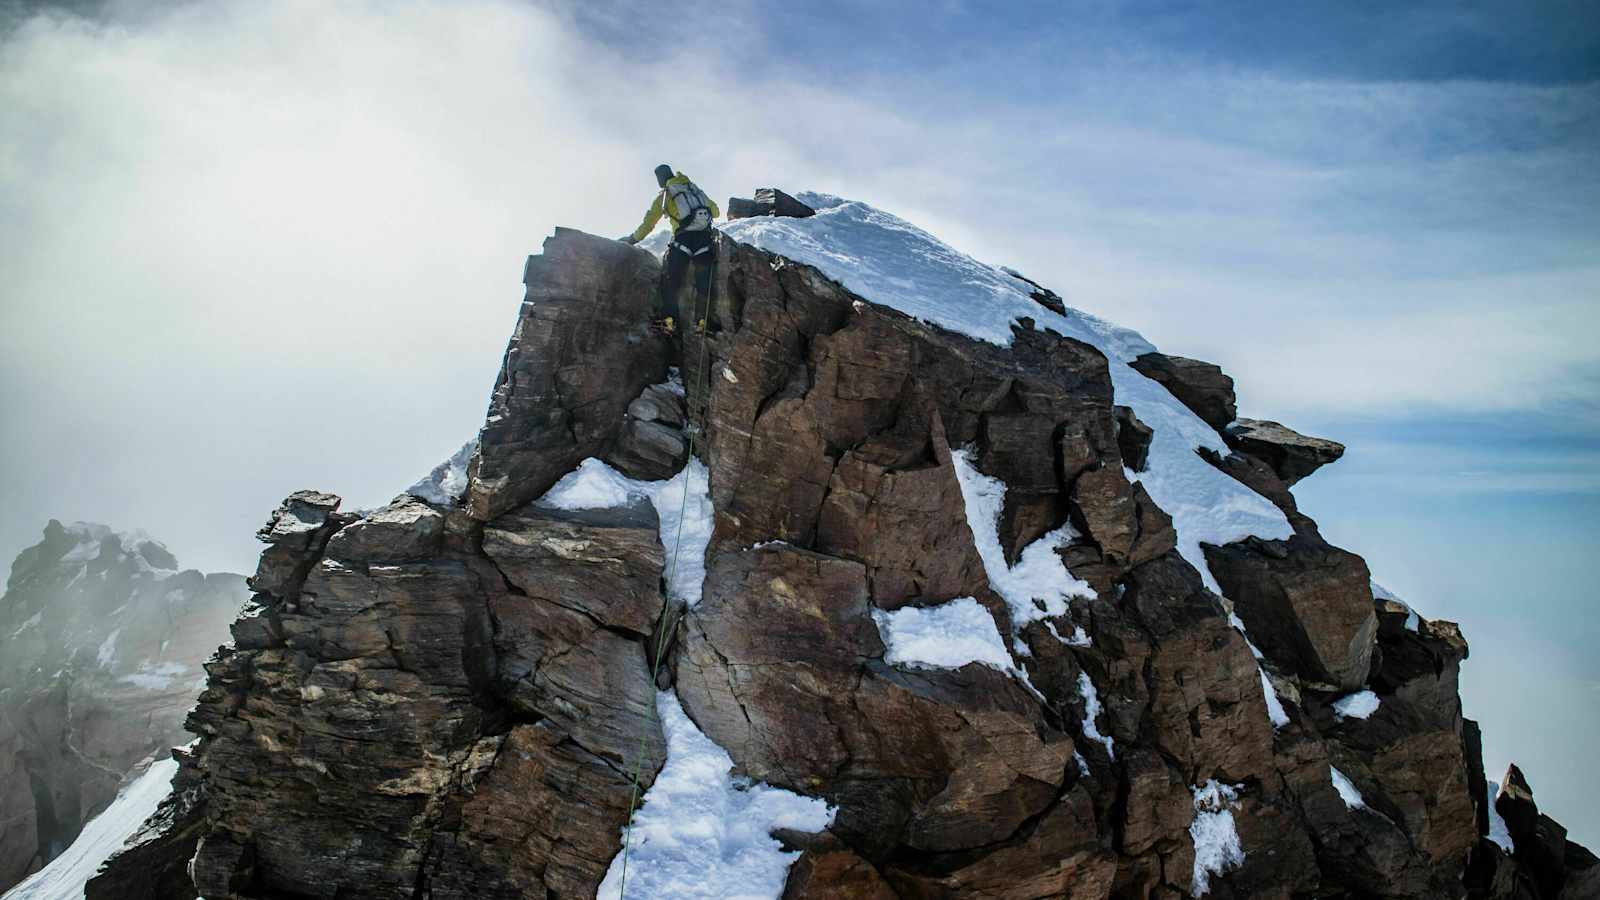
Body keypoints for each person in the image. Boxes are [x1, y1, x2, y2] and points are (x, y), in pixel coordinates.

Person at [620, 164, 720, 330]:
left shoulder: (665, 196)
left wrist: (632, 239)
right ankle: (703, 323)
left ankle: (669, 321)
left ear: (660, 179)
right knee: (704, 282)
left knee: (671, 281)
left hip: (682, 241)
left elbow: (649, 223)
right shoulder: (693, 189)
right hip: (704, 240)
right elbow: (715, 212)